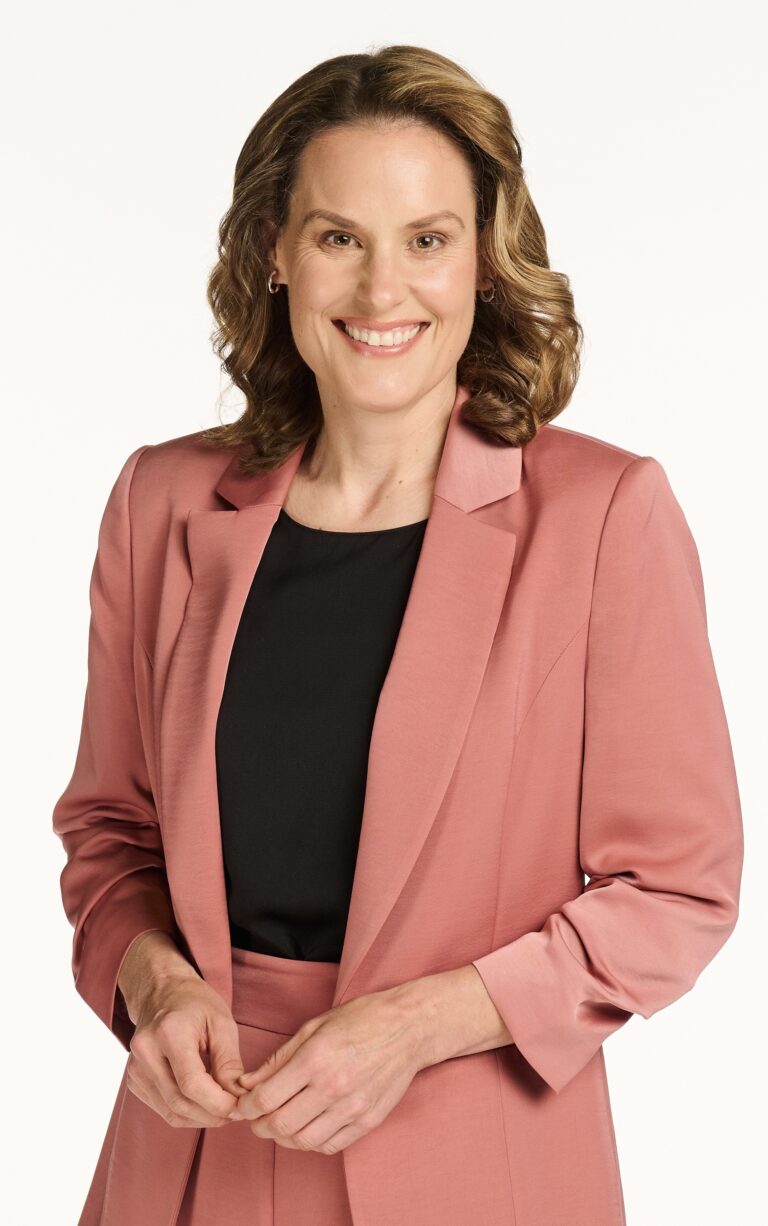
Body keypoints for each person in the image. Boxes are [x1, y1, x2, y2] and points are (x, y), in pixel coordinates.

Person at [52, 44, 744, 1226]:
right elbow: (110, 833)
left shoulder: (602, 516)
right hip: (194, 1154)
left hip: (473, 1160)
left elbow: (678, 886)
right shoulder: (159, 503)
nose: (383, 291)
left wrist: (422, 1023)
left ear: (484, 258)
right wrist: (155, 981)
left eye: (427, 238)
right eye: (339, 236)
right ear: (275, 249)